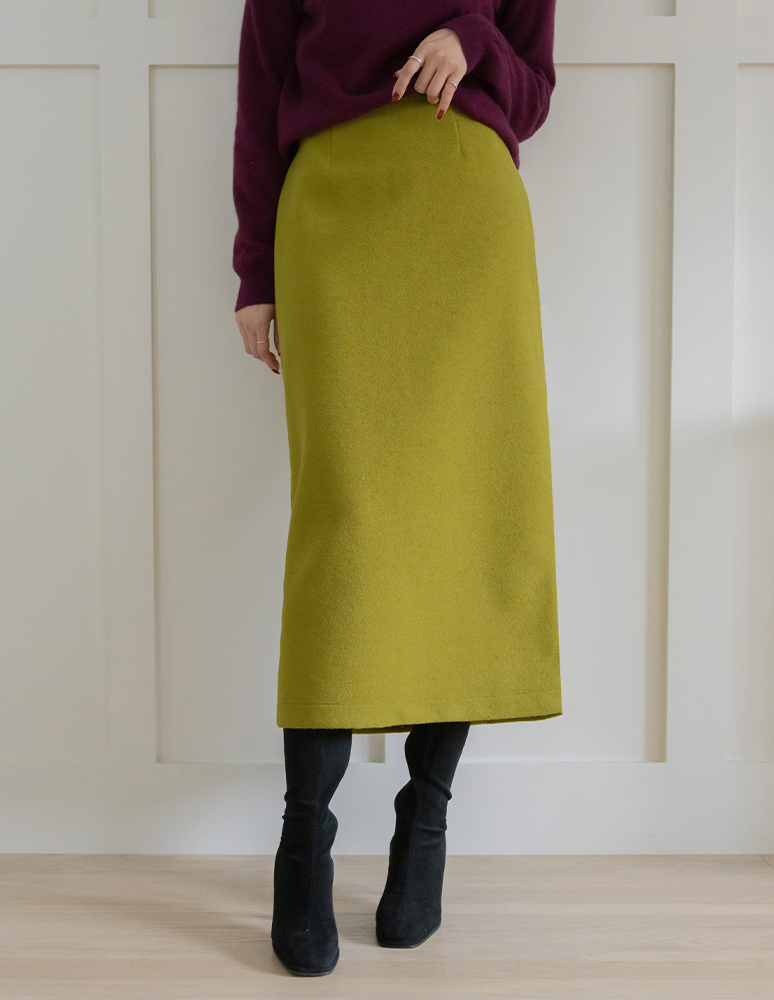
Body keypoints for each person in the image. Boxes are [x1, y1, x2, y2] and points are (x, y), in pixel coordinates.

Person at [231, 0, 562, 977]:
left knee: (465, 519)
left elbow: (533, 94)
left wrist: (472, 39)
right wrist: (255, 269)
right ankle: (305, 839)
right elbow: (260, 94)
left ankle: (426, 822)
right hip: (333, 213)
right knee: (345, 531)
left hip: (467, 215)